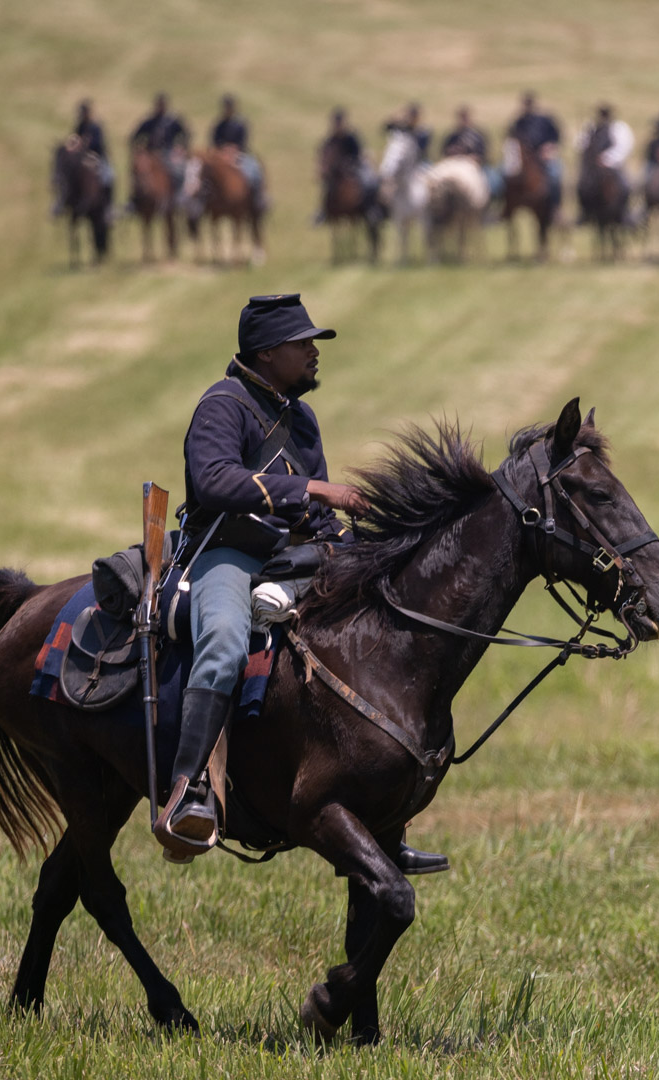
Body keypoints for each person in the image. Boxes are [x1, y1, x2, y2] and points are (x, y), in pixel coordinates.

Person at [161, 294, 448, 876]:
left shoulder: (301, 417)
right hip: (228, 554)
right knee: (220, 643)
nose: (314, 354)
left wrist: (352, 537)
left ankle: (384, 828)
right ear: (267, 352)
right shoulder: (221, 406)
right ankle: (189, 790)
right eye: (304, 344)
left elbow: (314, 517)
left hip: (298, 557)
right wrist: (318, 493)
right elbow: (214, 482)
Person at [314, 106, 377, 224]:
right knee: (327, 186)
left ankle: (370, 209)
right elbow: (324, 154)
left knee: (367, 182)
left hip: (354, 168)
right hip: (337, 171)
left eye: (339, 122)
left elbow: (359, 153)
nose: (337, 125)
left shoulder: (351, 138)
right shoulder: (331, 139)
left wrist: (350, 163)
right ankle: (323, 211)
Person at [574, 103, 633, 223]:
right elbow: (579, 144)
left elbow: (624, 147)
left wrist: (607, 158)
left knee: (625, 186)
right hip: (592, 167)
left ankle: (624, 213)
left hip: (612, 166)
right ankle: (585, 213)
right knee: (581, 187)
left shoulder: (618, 128)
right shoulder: (591, 127)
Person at [209, 92, 266, 211]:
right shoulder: (219, 124)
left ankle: (258, 199)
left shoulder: (240, 123)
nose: (227, 109)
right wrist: (222, 151)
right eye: (225, 106)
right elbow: (214, 141)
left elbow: (244, 140)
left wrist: (234, 149)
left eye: (229, 106)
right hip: (221, 156)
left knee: (254, 169)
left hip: (240, 154)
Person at [505, 90, 562, 205]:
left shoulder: (544, 120)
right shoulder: (519, 122)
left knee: (555, 176)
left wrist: (549, 147)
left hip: (543, 155)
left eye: (529, 103)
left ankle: (555, 208)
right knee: (504, 174)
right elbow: (511, 138)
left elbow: (555, 136)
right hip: (523, 156)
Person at [131, 91, 189, 196]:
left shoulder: (172, 120)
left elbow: (185, 134)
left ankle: (178, 196)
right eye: (158, 104)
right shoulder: (149, 121)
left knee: (178, 171)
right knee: (138, 171)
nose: (160, 106)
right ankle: (135, 199)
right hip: (151, 153)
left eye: (162, 104)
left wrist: (181, 148)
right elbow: (135, 136)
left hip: (167, 152)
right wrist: (138, 148)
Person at [66, 98, 114, 209]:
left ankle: (109, 206)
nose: (82, 114)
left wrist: (85, 144)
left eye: (84, 112)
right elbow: (74, 139)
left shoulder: (96, 126)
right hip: (82, 157)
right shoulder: (80, 126)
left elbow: (98, 143)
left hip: (97, 157)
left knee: (109, 176)